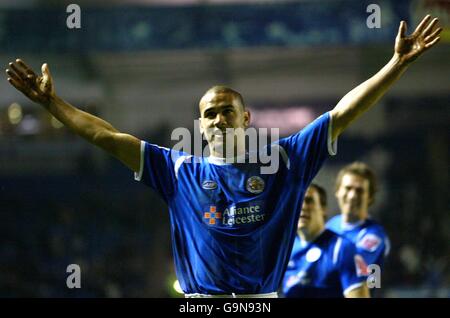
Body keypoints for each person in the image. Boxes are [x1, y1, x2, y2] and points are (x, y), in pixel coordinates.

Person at [5, 15, 441, 297]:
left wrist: (396, 65)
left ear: (245, 118)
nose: (217, 119)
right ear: (199, 125)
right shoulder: (177, 170)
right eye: (208, 114)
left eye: (225, 111)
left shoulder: (285, 161)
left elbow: (344, 111)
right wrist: (53, 106)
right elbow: (105, 135)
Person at [282, 184, 369, 298]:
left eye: (309, 200)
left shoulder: (342, 248)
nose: (302, 206)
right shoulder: (285, 250)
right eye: (296, 200)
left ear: (323, 209)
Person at [326, 162, 390, 276]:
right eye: (348, 188)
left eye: (359, 191)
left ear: (370, 197)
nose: (352, 196)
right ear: (337, 191)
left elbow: (353, 269)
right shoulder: (331, 225)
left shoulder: (375, 234)